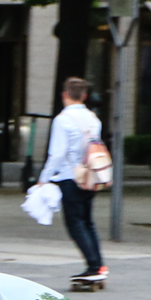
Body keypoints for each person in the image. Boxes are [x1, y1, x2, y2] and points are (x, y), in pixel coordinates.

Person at [39, 76, 104, 283]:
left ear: (64, 95)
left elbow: (57, 153)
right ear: (85, 96)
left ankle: (93, 266)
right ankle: (99, 265)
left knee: (75, 223)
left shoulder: (62, 120)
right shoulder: (94, 119)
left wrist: (44, 178)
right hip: (90, 175)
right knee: (88, 221)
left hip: (70, 177)